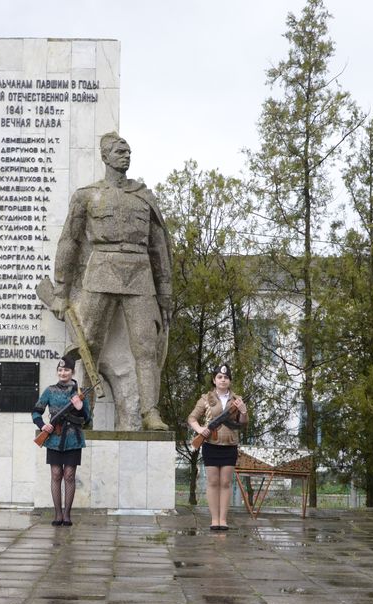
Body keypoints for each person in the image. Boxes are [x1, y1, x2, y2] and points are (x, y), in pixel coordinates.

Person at [49, 131, 172, 431]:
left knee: (145, 345)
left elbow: (159, 249)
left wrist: (165, 295)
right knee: (88, 344)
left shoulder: (144, 197)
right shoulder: (87, 195)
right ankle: (85, 409)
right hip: (101, 271)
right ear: (104, 156)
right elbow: (69, 241)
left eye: (128, 151)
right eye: (119, 151)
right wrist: (61, 291)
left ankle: (150, 412)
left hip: (139, 275)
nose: (125, 155)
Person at [187, 364, 248, 531]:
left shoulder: (237, 399)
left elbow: (242, 424)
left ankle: (223, 519)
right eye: (219, 377)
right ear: (214, 380)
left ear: (229, 381)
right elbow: (192, 418)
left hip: (229, 445)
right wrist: (201, 430)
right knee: (213, 482)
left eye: (226, 377)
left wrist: (243, 411)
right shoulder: (206, 399)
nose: (223, 380)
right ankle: (214, 520)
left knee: (226, 483)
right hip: (211, 446)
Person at [32, 356, 92, 526]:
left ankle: (67, 515)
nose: (62, 373)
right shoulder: (50, 391)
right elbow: (36, 411)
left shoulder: (79, 393)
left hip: (74, 440)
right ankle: (57, 514)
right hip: (54, 439)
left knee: (69, 475)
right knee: (56, 474)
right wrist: (43, 425)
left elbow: (88, 420)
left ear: (72, 372)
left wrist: (80, 409)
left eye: (66, 370)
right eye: (60, 370)